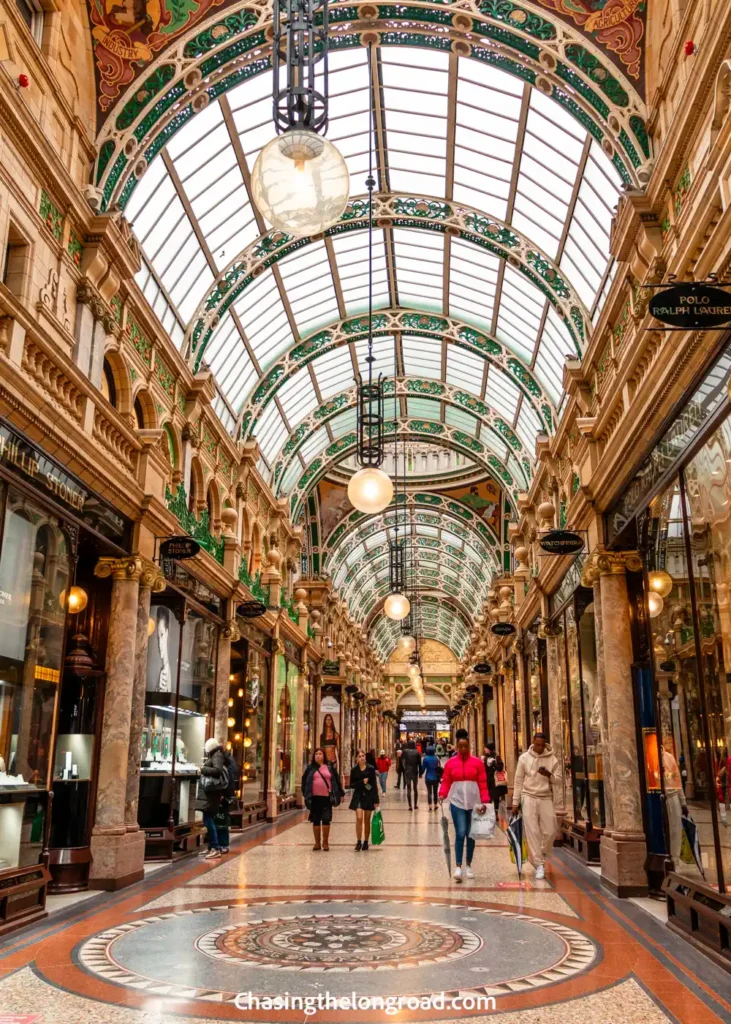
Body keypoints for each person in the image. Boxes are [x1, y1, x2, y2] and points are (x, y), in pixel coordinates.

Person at [438, 729, 489, 882]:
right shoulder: (451, 764)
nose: (463, 749)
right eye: (461, 747)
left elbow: (483, 783)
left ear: (469, 747)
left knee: (470, 834)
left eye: (466, 746)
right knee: (460, 832)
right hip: (457, 802)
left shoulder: (477, 763)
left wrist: (485, 800)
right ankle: (458, 867)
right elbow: (446, 780)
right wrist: (442, 793)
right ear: (457, 747)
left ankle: (468, 866)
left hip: (473, 803)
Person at [512, 732, 559, 880]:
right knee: (532, 831)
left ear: (545, 745)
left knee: (551, 830)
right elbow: (518, 780)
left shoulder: (553, 759)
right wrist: (515, 801)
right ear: (533, 742)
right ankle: (539, 864)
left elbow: (559, 781)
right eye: (537, 744)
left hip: (545, 796)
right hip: (528, 796)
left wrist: (548, 775)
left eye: (542, 745)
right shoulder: (524, 758)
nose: (539, 748)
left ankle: (541, 852)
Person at [302, 747, 343, 851]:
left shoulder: (329, 767)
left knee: (326, 819)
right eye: (316, 754)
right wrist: (306, 794)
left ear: (324, 756)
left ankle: (325, 842)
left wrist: (340, 793)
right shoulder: (310, 768)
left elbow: (336, 780)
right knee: (316, 819)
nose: (318, 756)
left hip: (326, 797)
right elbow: (304, 781)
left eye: (320, 754)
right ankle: (317, 843)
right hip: (314, 798)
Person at [199, 737, 227, 860]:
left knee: (207, 819)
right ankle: (212, 846)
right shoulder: (216, 755)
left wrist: (203, 769)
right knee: (208, 819)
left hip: (212, 793)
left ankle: (215, 847)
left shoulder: (217, 755)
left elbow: (217, 770)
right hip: (210, 793)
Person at [349, 749, 379, 850]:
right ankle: (358, 841)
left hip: (369, 796)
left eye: (363, 756)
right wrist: (362, 782)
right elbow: (351, 785)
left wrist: (376, 800)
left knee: (367, 820)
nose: (362, 758)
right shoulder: (354, 770)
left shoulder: (370, 769)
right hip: (358, 796)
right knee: (359, 818)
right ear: (356, 758)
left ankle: (366, 841)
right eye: (360, 756)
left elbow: (374, 785)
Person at [483, 743, 507, 817]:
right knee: (488, 797)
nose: (484, 750)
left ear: (489, 749)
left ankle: (496, 813)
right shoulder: (485, 757)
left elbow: (500, 767)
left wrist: (493, 763)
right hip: (488, 781)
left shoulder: (496, 757)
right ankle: (489, 813)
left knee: (496, 797)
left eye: (486, 748)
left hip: (495, 781)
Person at [401, 740, 422, 810]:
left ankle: (410, 806)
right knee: (415, 788)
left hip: (407, 771)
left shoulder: (405, 751)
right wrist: (420, 773)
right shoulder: (417, 752)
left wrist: (405, 768)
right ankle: (415, 805)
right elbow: (420, 764)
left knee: (408, 789)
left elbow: (403, 761)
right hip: (415, 771)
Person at [421, 744, 441, 811]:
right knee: (435, 792)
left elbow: (423, 768)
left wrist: (420, 774)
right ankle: (435, 805)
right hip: (436, 778)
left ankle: (430, 806)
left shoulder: (425, 759)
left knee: (429, 792)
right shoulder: (437, 758)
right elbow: (439, 768)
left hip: (428, 778)